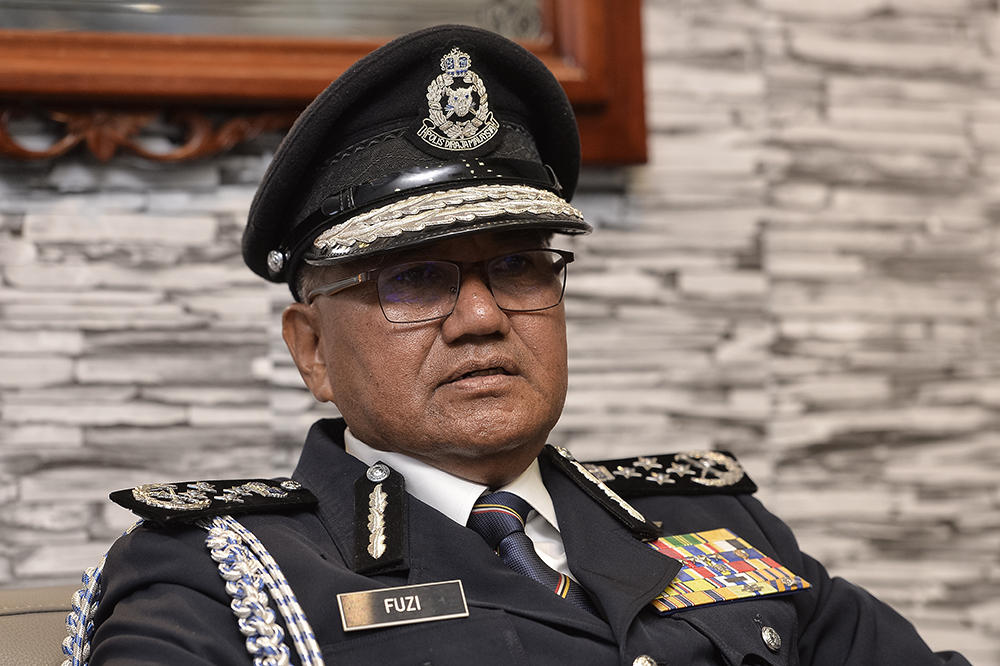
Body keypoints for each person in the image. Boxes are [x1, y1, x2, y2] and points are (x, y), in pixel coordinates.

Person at [70, 25, 970, 666]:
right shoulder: (224, 580)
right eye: (414, 280)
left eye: (516, 267)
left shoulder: (716, 524)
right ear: (312, 350)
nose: (480, 316)